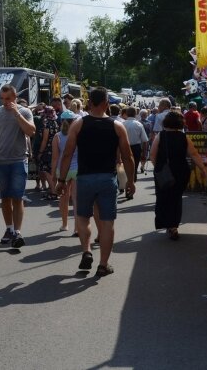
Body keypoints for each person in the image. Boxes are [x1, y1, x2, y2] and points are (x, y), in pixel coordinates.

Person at [57, 87, 135, 277]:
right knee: (107, 223)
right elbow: (128, 156)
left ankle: (87, 250)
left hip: (84, 178)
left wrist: (61, 179)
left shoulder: (78, 124)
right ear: (107, 103)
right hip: (107, 179)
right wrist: (131, 181)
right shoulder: (117, 126)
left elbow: (67, 153)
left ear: (89, 102)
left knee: (83, 218)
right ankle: (103, 264)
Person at [0, 84, 36, 248]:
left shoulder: (24, 111)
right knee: (5, 198)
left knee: (18, 197)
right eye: (2, 98)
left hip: (18, 160)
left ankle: (17, 231)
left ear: (15, 97)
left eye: (8, 98)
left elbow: (31, 131)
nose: (5, 101)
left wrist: (17, 114)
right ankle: (9, 229)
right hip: (1, 161)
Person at [149, 110, 206, 240]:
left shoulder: (160, 136)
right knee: (176, 198)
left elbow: (152, 155)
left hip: (163, 172)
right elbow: (194, 154)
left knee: (163, 197)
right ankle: (174, 225)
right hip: (181, 171)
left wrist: (159, 168)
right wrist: (203, 169)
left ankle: (167, 223)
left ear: (166, 122)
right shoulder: (183, 137)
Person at [51, 110, 79, 232]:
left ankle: (64, 224)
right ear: (74, 121)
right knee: (77, 199)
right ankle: (77, 228)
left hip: (62, 170)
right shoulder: (78, 135)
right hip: (77, 169)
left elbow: (55, 158)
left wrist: (53, 175)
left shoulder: (57, 136)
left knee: (63, 198)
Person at [38, 106, 59, 200]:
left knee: (47, 171)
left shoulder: (47, 124)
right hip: (56, 149)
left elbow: (45, 140)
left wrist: (40, 152)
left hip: (48, 151)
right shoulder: (55, 123)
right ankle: (52, 190)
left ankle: (54, 191)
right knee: (53, 171)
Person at [123, 106, 148, 184]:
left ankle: (127, 182)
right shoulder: (139, 124)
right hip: (136, 148)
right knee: (135, 166)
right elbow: (145, 140)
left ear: (126, 113)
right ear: (136, 114)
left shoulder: (122, 124)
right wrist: (144, 153)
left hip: (124, 147)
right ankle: (132, 182)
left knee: (125, 167)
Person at [139, 109, 153, 174]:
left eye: (145, 114)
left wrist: (150, 139)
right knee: (142, 153)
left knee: (144, 153)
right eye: (143, 114)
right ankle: (142, 166)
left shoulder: (149, 122)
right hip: (141, 140)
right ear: (141, 115)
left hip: (146, 140)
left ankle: (142, 166)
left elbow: (151, 132)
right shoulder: (138, 122)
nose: (144, 115)